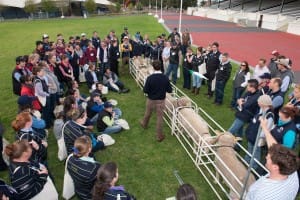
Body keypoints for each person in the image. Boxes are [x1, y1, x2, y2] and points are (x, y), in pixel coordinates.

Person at [140, 60, 172, 142]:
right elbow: (169, 90)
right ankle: (159, 136)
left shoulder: (150, 78)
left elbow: (145, 90)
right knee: (159, 118)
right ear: (160, 67)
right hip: (161, 101)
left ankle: (144, 124)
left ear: (153, 68)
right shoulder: (165, 77)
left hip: (151, 100)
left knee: (147, 113)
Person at [245, 95, 274, 169]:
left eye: (259, 101)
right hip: (252, 135)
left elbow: (266, 130)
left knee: (256, 152)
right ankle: (247, 161)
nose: (258, 102)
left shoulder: (269, 116)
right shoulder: (261, 110)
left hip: (257, 138)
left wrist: (259, 137)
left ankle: (254, 166)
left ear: (264, 103)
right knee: (250, 148)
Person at [67, 136, 101, 200]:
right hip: (90, 195)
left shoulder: (69, 159)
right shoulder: (94, 167)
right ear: (89, 149)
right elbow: (101, 182)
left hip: (78, 192)